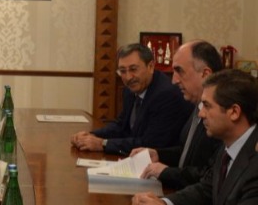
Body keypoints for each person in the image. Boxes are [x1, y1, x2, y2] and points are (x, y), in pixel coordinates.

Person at [132, 69, 258, 205]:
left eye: (207, 106)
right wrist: (165, 202)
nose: (201, 114)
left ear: (234, 112)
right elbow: (206, 189)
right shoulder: (228, 146)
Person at [71, 43, 193, 155]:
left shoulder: (166, 95)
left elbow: (150, 144)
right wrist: (90, 136)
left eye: (133, 69)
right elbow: (121, 125)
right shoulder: (130, 89)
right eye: (122, 71)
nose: (128, 77)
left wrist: (103, 144)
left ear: (150, 66)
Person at [131, 40, 222, 189]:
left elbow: (209, 176)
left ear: (205, 74)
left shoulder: (220, 116)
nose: (174, 80)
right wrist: (158, 154)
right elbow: (187, 153)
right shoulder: (196, 105)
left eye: (180, 71)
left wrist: (167, 172)